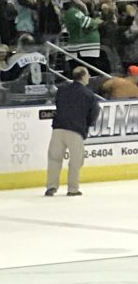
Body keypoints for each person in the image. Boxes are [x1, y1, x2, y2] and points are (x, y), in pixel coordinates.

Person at [45, 67, 99, 197]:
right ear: (83, 77)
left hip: (58, 128)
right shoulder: (88, 94)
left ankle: (51, 186)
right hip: (75, 130)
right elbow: (95, 112)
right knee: (76, 161)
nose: (89, 77)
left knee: (54, 159)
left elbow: (58, 104)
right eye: (88, 75)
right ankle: (73, 188)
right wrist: (87, 125)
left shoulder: (62, 90)